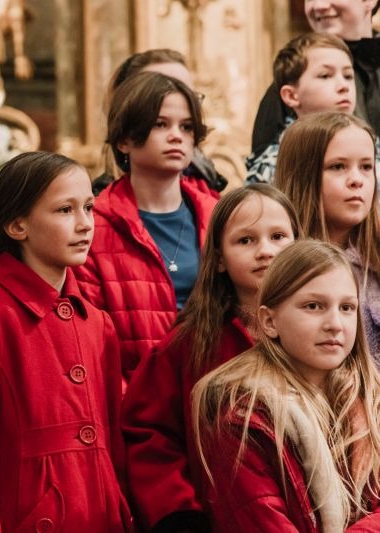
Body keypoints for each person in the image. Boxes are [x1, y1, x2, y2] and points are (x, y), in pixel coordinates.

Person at [0, 151, 133, 531]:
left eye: (88, 208)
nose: (85, 224)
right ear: (17, 226)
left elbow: (114, 447)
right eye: (65, 210)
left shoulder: (98, 324)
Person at [122, 184, 299, 532]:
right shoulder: (190, 344)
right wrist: (179, 513)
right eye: (245, 240)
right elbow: (150, 435)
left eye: (279, 237)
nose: (265, 251)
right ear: (218, 258)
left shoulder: (323, 332)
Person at [191, 240, 380, 531]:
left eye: (346, 307)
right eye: (313, 306)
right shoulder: (243, 417)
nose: (335, 323)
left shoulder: (369, 398)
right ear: (269, 321)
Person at [75, 71, 218, 383]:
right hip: (136, 397)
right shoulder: (94, 225)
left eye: (186, 127)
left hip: (217, 391)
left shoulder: (219, 216)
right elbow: (92, 341)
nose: (177, 136)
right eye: (160, 124)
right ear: (125, 140)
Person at [274, 111, 380, 362]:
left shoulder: (375, 257)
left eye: (366, 167)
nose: (357, 180)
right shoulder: (279, 264)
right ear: (302, 176)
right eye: (338, 166)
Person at [251, 0, 380, 154]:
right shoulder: (293, 78)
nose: (319, 6)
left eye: (347, 76)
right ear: (290, 95)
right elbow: (264, 158)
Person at [92, 48, 227, 195]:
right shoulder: (97, 201)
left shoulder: (207, 188)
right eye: (158, 90)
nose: (176, 99)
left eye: (186, 93)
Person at [246, 32, 357, 183]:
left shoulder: (371, 147)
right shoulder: (274, 166)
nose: (344, 86)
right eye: (325, 76)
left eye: (348, 76)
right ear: (291, 96)